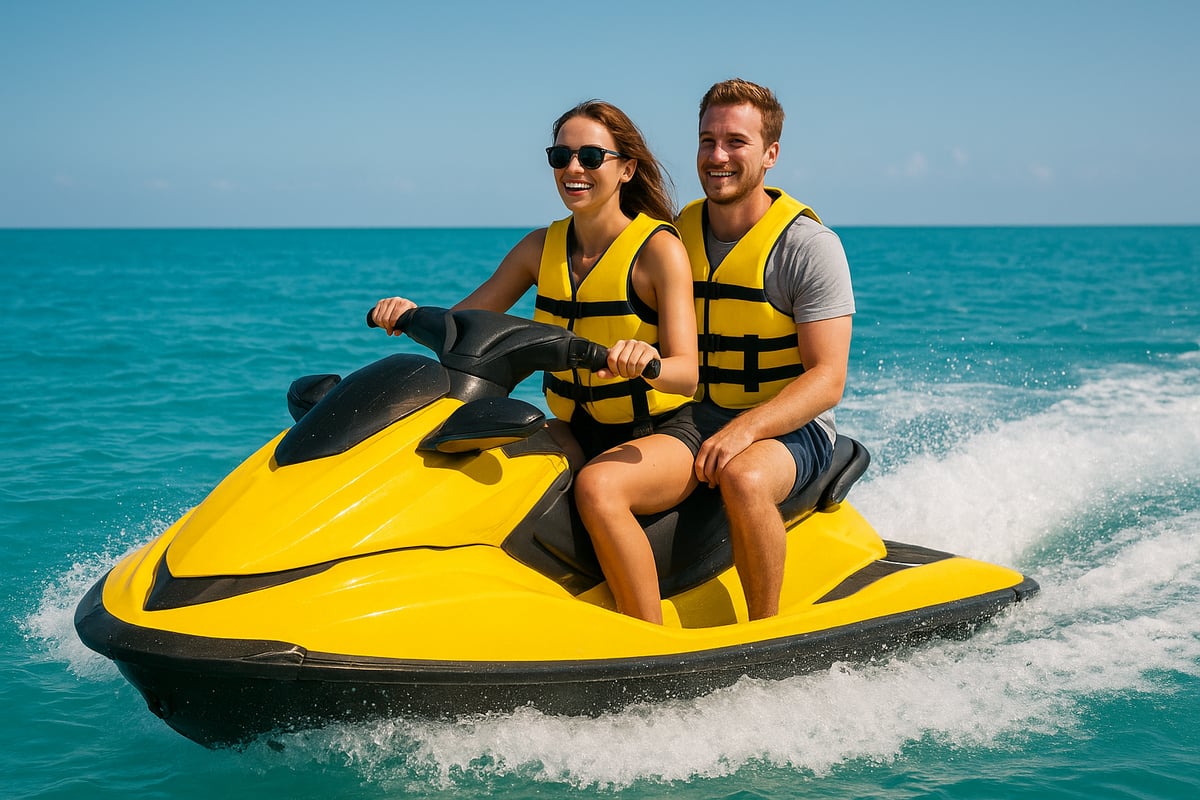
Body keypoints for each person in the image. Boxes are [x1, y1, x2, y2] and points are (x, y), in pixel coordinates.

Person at [370, 101, 700, 625]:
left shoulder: (658, 250)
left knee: (598, 487)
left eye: (591, 156)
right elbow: (463, 327)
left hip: (662, 434)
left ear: (626, 169)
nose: (574, 169)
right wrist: (409, 315)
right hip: (576, 427)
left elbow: (687, 373)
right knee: (476, 460)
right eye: (561, 155)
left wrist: (648, 361)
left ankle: (649, 643)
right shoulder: (539, 248)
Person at [676, 78, 856, 620]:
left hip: (791, 427)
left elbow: (829, 379)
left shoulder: (807, 248)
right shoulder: (676, 233)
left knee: (743, 477)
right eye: (707, 141)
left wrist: (746, 428)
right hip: (695, 412)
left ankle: (764, 631)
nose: (717, 156)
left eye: (736, 142)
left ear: (770, 154)